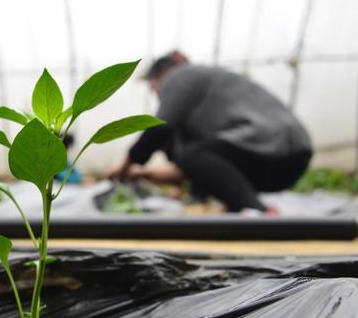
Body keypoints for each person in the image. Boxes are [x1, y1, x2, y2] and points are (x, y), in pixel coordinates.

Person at [108, 50, 312, 213]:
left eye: (154, 89)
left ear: (161, 74)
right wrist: (144, 173)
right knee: (197, 157)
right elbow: (194, 168)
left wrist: (125, 164)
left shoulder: (180, 75)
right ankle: (244, 209)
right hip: (287, 157)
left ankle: (255, 212)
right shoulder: (206, 101)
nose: (158, 96)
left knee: (194, 154)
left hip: (275, 144)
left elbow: (161, 127)